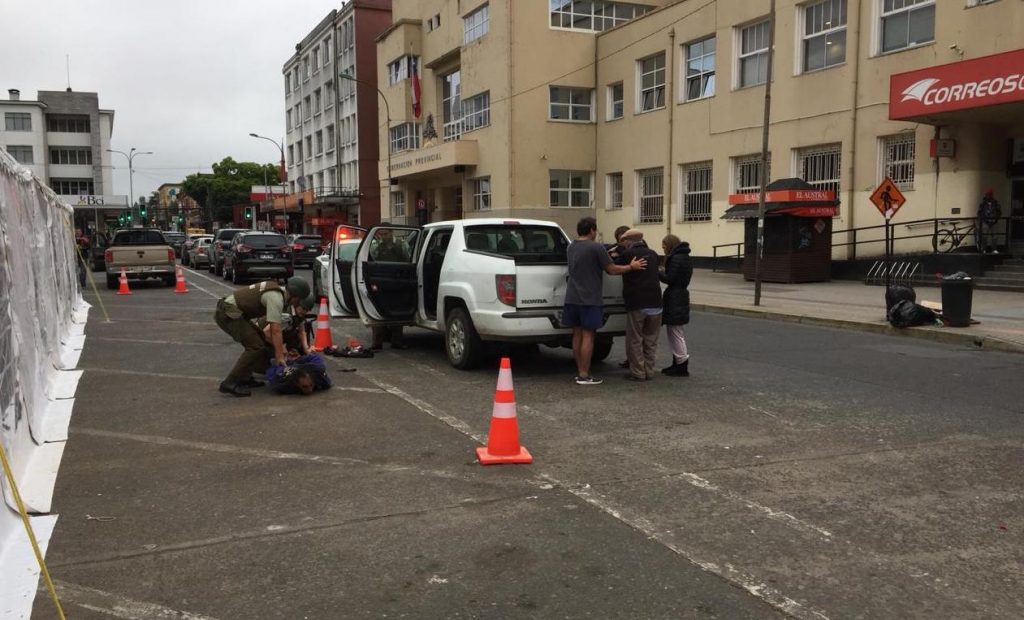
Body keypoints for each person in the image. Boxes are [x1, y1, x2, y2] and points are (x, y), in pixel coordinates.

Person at [564, 217, 646, 385]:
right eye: (596, 230)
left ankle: (580, 370)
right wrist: (631, 267)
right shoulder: (596, 247)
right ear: (592, 230)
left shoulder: (571, 247)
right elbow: (612, 269)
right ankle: (585, 375)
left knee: (577, 335)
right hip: (590, 298)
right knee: (588, 336)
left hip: (572, 297)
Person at [214, 277, 310, 397]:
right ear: (295, 296)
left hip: (236, 313)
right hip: (228, 313)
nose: (297, 303)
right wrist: (280, 355)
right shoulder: (276, 298)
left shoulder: (277, 293)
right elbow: (275, 330)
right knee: (255, 346)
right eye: (299, 300)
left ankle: (245, 377)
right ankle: (230, 382)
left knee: (259, 339)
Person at [617, 230, 663, 381]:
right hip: (656, 302)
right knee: (651, 340)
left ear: (629, 241)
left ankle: (638, 372)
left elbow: (612, 267)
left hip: (637, 302)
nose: (623, 244)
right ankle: (649, 371)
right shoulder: (654, 254)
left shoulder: (627, 255)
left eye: (624, 241)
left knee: (635, 339)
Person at [369, 224, 410, 350]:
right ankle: (377, 343)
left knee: (397, 312)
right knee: (377, 312)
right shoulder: (376, 246)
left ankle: (397, 341)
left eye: (385, 234)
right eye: (381, 234)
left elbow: (408, 259)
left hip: (397, 280)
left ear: (392, 233)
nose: (383, 237)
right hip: (381, 281)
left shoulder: (401, 245)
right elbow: (372, 257)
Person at [659, 235, 692, 377]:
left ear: (670, 245)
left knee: (675, 332)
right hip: (680, 295)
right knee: (675, 331)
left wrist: (658, 272)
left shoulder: (676, 258)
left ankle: (681, 364)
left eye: (664, 246)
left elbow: (670, 278)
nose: (663, 249)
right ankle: (677, 363)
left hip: (675, 297)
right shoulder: (685, 257)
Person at [977, 189, 1002, 254]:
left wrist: (996, 218)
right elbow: (979, 212)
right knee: (984, 236)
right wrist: (982, 219)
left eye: (989, 194)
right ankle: (984, 249)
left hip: (994, 221)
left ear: (991, 195)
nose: (988, 196)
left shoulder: (996, 202)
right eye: (987, 194)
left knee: (995, 236)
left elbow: (999, 211)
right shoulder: (982, 203)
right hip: (985, 221)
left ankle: (994, 249)